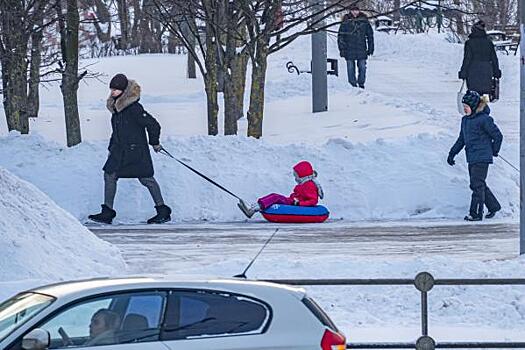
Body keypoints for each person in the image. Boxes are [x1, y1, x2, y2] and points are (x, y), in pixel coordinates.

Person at [88, 73, 172, 225]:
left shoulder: (134, 108)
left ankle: (163, 211)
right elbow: (117, 131)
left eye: (116, 90)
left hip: (135, 151)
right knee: (109, 175)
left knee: (147, 179)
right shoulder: (116, 109)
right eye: (111, 89)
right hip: (119, 151)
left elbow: (153, 124)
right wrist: (111, 147)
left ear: (124, 91)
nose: (113, 92)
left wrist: (154, 143)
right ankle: (107, 212)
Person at [447, 90, 503, 221]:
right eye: (463, 107)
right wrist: (452, 153)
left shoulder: (484, 120)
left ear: (473, 106)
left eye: (466, 107)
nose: (464, 110)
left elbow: (498, 136)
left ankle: (476, 213)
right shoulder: (465, 121)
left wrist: (495, 150)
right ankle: (494, 206)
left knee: (476, 184)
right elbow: (462, 139)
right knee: (479, 183)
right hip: (472, 157)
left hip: (482, 157)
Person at [238, 161, 324, 218]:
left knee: (275, 197)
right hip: (292, 201)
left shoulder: (309, 185)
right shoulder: (304, 183)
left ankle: (252, 210)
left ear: (302, 175)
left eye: (296, 176)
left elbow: (313, 201)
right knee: (274, 197)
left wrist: (299, 203)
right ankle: (254, 207)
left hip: (294, 203)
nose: (295, 178)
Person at [458, 20, 501, 95]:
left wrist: (463, 72)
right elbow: (494, 59)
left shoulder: (469, 43)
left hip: (473, 72)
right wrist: (496, 71)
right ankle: (483, 106)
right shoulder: (489, 42)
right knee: (484, 96)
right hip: (487, 71)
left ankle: (479, 106)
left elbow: (467, 59)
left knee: (474, 97)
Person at [337, 4, 374, 89]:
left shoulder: (364, 21)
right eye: (353, 10)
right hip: (349, 49)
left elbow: (370, 35)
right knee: (350, 68)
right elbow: (341, 36)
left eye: (356, 10)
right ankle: (352, 84)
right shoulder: (346, 21)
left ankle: (361, 83)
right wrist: (342, 49)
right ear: (350, 11)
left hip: (361, 48)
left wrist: (370, 48)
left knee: (362, 67)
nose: (355, 12)